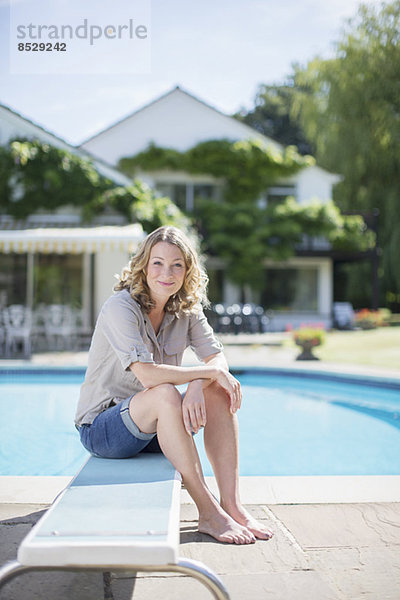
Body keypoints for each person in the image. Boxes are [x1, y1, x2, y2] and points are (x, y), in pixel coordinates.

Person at [75, 226, 273, 545]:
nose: (167, 272)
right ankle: (207, 512)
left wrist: (200, 381)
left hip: (156, 429)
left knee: (217, 390)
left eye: (177, 264)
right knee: (166, 393)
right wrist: (200, 375)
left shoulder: (186, 309)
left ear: (187, 270)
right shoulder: (120, 307)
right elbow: (149, 376)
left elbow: (216, 359)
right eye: (158, 263)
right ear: (143, 265)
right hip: (104, 429)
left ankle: (232, 505)